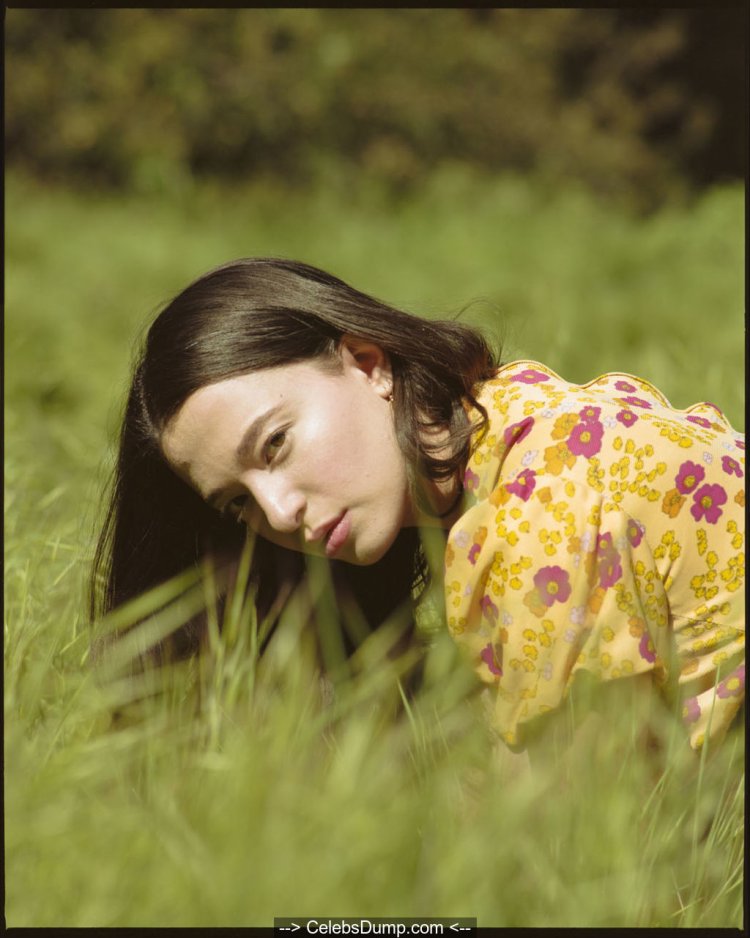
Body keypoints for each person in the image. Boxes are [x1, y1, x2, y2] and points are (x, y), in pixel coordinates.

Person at [91, 257, 745, 754]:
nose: (278, 512)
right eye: (239, 504)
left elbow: (577, 837)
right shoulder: (520, 418)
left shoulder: (541, 502)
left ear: (367, 362)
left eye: (276, 445)